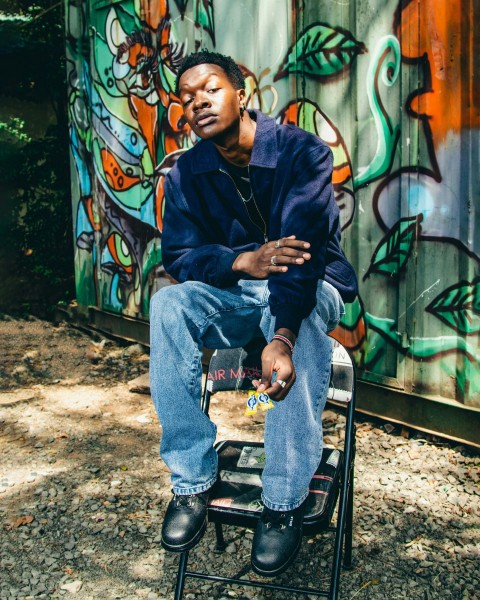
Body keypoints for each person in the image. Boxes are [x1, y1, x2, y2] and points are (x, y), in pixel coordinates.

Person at [149, 49, 357, 577]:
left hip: (312, 287)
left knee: (302, 320)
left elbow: (302, 259)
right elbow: (179, 256)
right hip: (240, 291)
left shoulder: (301, 152)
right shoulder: (186, 172)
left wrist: (281, 336)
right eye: (187, 97)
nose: (198, 103)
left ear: (242, 94)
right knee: (168, 303)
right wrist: (242, 259)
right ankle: (192, 483)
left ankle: (283, 499)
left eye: (210, 89)